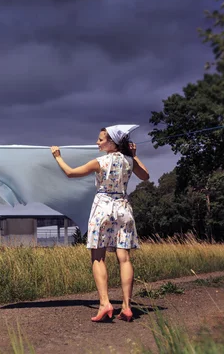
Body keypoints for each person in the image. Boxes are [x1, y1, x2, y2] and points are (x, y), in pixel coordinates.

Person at [50, 125, 150, 322]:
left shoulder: (100, 162)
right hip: (123, 207)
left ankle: (105, 303)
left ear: (112, 143)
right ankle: (127, 307)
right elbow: (145, 176)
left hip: (102, 208)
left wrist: (57, 156)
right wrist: (134, 155)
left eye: (101, 139)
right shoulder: (130, 161)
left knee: (98, 256)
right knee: (125, 258)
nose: (97, 142)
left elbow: (71, 173)